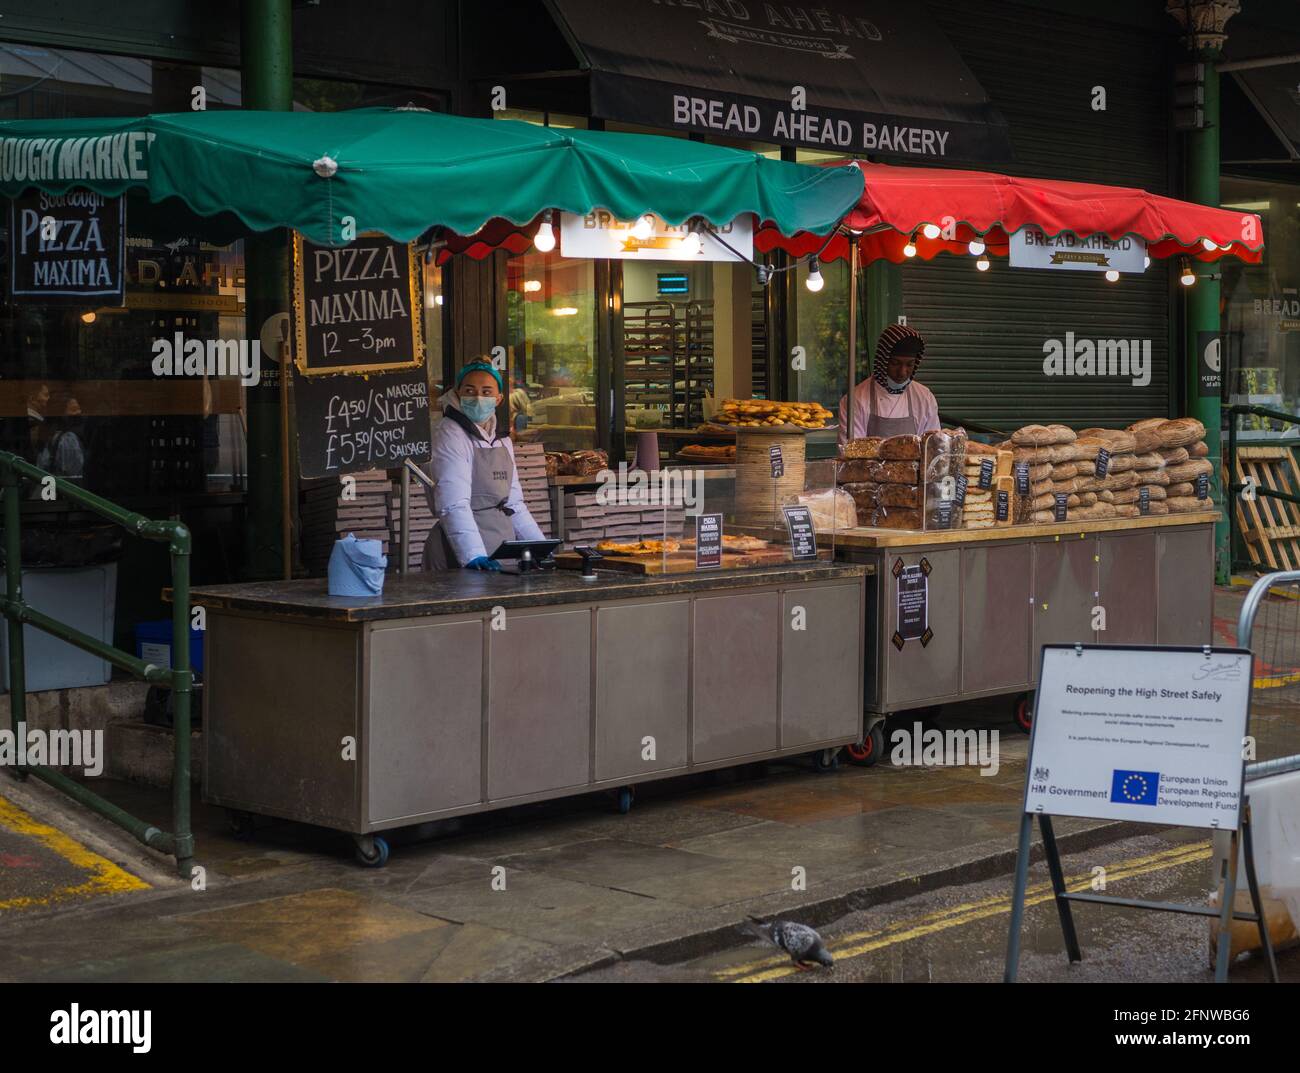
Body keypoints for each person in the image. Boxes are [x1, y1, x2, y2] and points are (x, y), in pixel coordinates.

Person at [422, 361, 546, 572]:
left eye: (486, 391)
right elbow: (453, 504)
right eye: (469, 390)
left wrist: (541, 548)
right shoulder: (449, 433)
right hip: (459, 551)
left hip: (501, 548)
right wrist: (473, 555)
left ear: (498, 399)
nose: (478, 397)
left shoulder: (502, 441)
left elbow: (514, 504)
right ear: (458, 393)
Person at [838, 324, 940, 449]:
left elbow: (932, 447)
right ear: (883, 361)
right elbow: (851, 452)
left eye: (909, 365)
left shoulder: (924, 398)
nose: (902, 372)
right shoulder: (855, 400)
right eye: (895, 363)